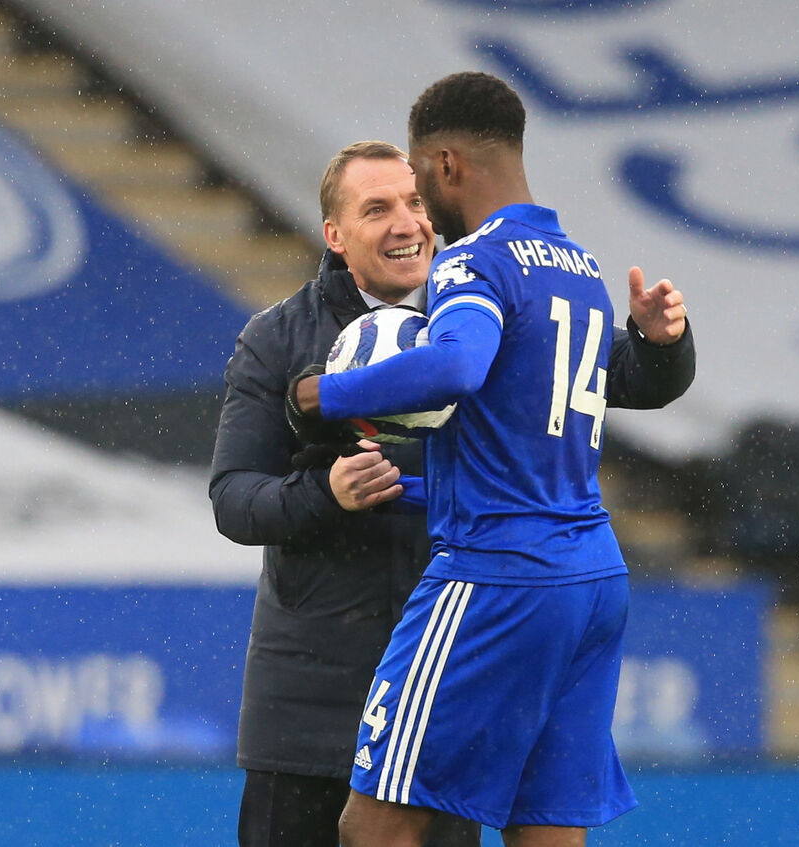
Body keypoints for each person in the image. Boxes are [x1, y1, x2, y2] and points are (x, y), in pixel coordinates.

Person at [213, 131, 693, 844]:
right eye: (377, 209)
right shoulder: (280, 338)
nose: (407, 222)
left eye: (413, 201)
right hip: (312, 695)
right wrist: (326, 493)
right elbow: (234, 498)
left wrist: (662, 343)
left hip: (461, 672)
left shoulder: (483, 295)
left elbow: (627, 376)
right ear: (335, 235)